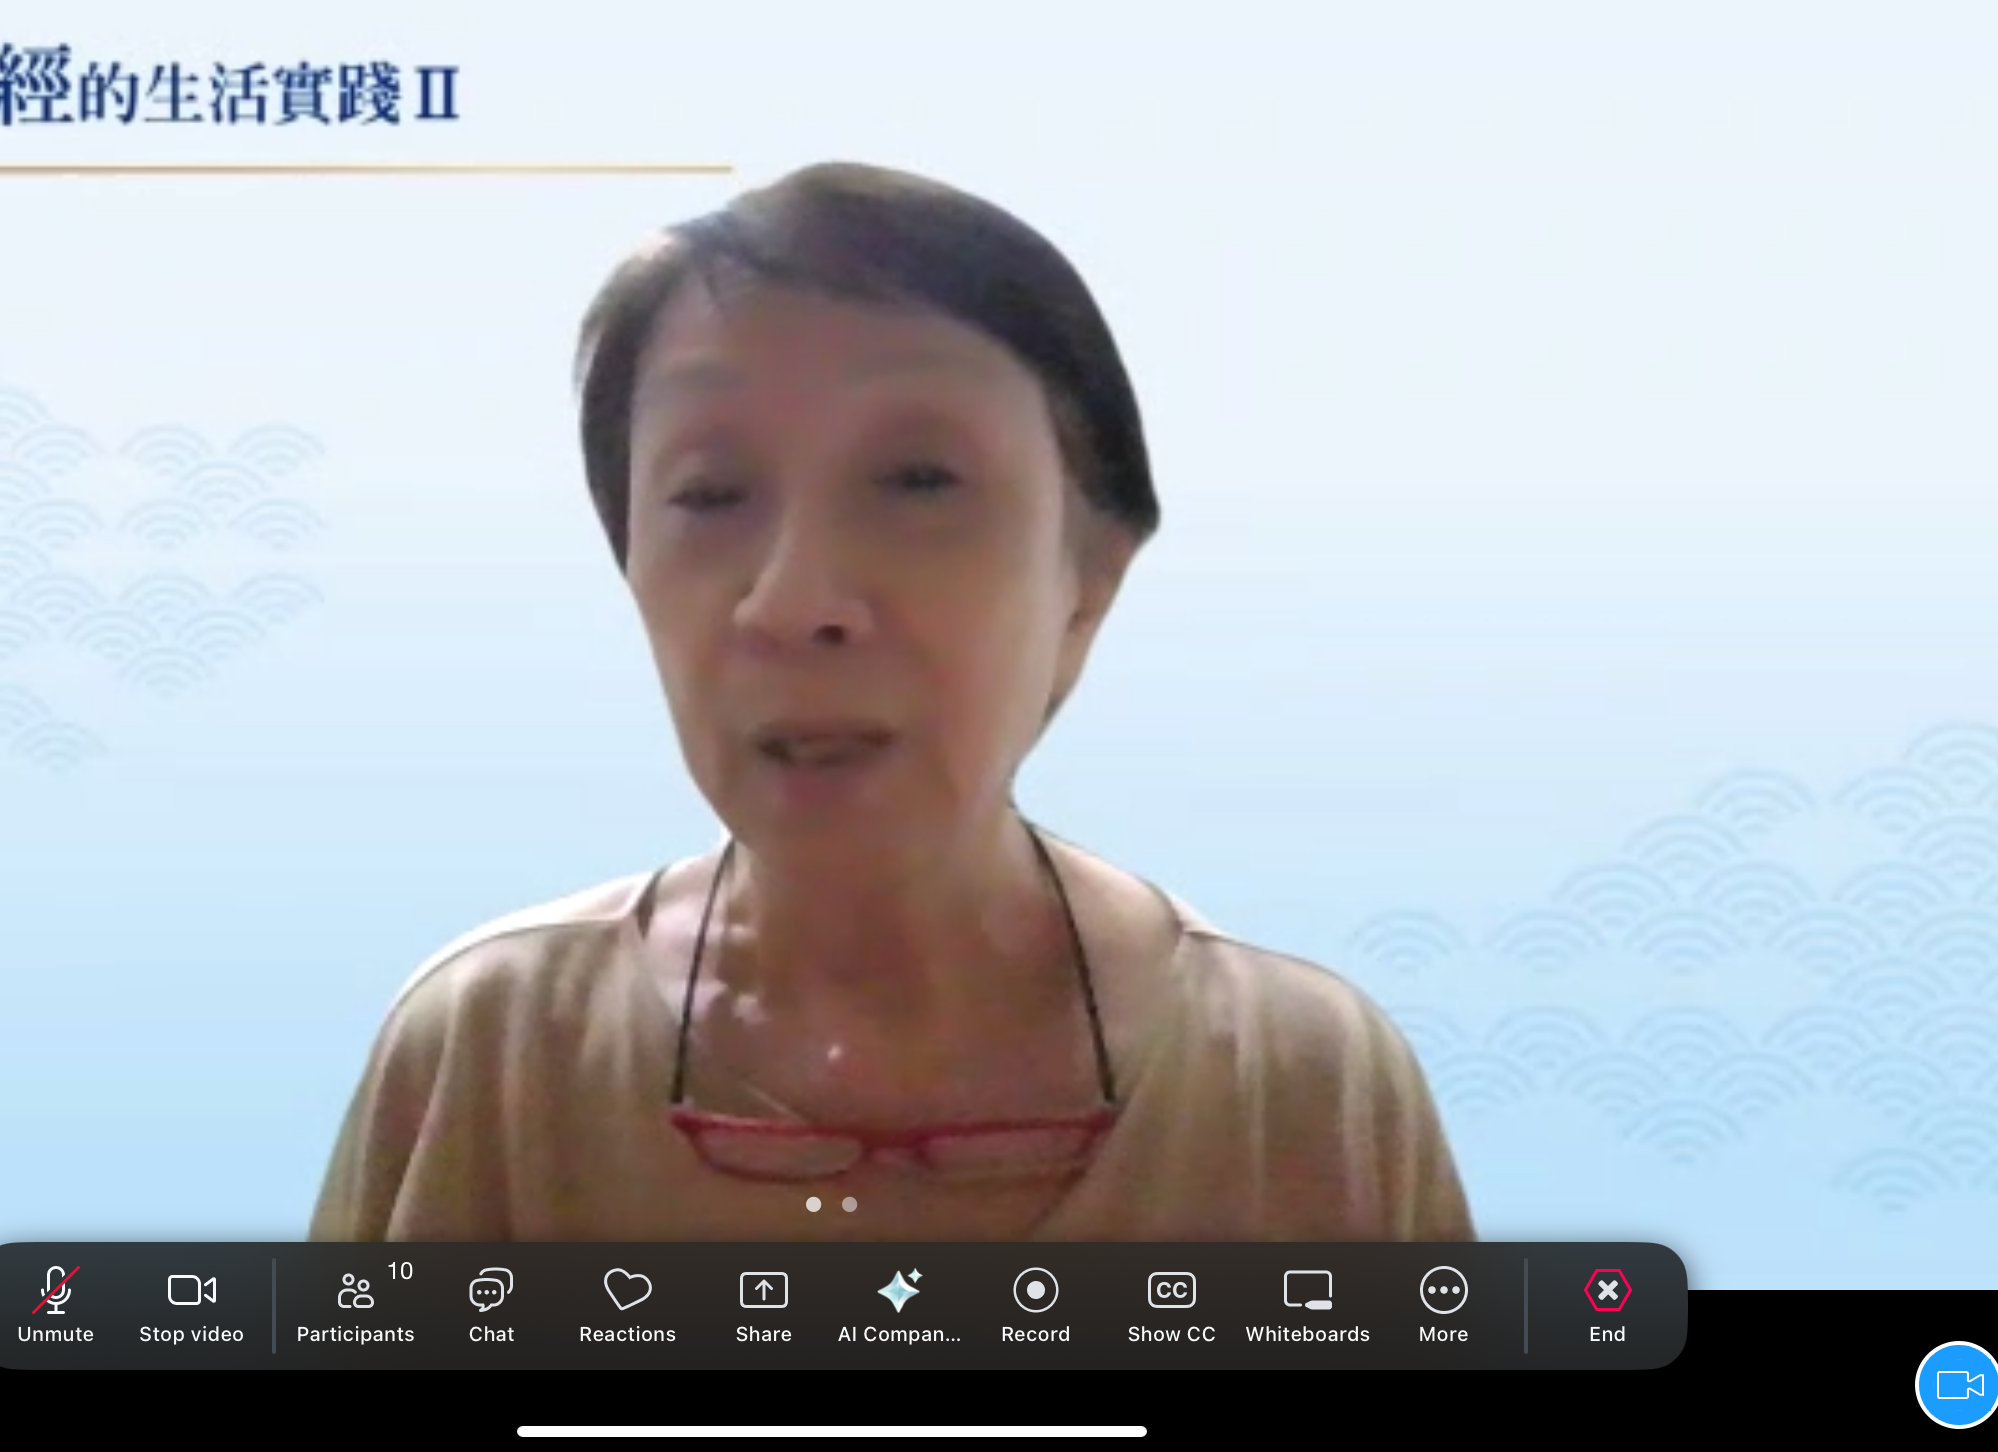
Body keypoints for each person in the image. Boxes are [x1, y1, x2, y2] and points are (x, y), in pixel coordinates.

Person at [309, 162, 1474, 1242]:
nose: (792, 600)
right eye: (708, 493)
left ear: (1087, 581)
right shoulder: (489, 1057)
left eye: (918, 480)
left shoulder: (1302, 1087)